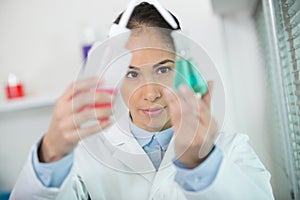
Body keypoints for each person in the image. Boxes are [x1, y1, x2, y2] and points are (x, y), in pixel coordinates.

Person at [10, 2, 274, 200]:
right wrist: (51, 153)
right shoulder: (84, 160)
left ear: (183, 69)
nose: (150, 93)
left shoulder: (233, 150)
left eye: (162, 69)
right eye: (132, 73)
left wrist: (201, 165)